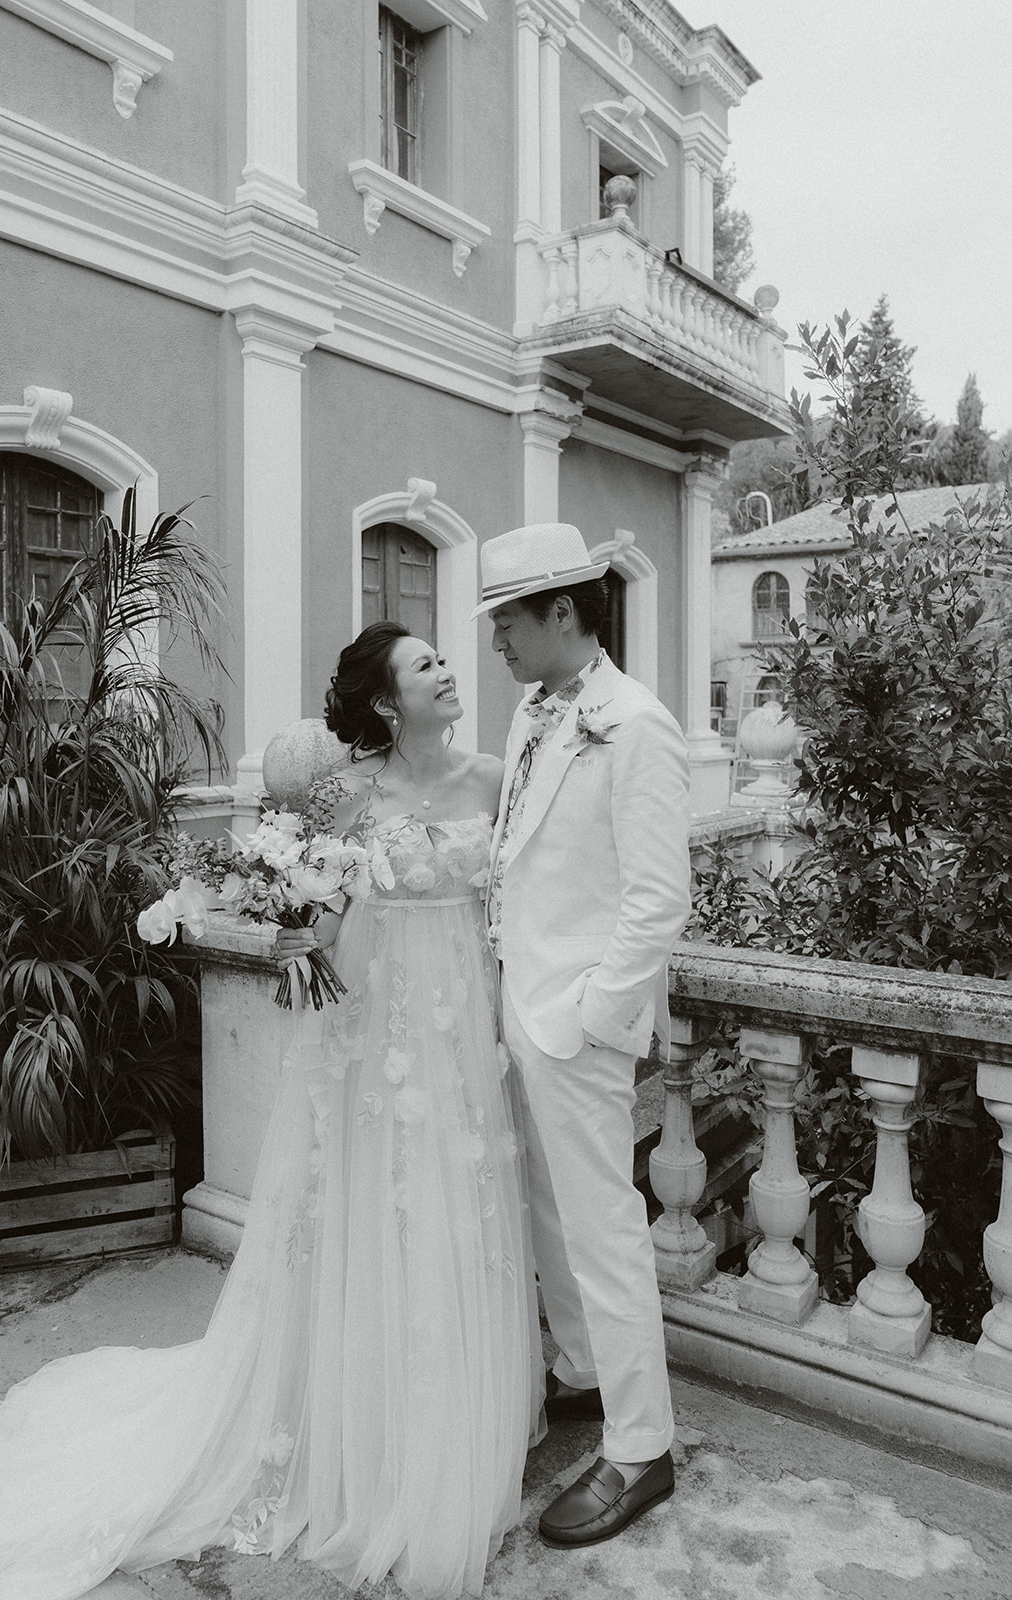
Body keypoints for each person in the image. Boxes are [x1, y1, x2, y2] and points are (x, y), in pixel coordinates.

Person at [0, 621, 542, 1600]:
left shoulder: (491, 778)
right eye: (424, 664)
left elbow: (514, 902)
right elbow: (323, 905)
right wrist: (299, 929)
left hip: (460, 1034)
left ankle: (453, 1428)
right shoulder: (346, 790)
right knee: (375, 1221)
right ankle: (367, 1446)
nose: (445, 670)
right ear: (389, 702)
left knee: (455, 1216)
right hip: (377, 1030)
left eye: (441, 658)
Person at [473, 522, 692, 1551]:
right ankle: (582, 1372)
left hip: (576, 1028)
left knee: (603, 1232)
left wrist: (585, 1024)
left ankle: (641, 1446)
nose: (494, 642)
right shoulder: (531, 712)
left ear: (561, 611)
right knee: (551, 1217)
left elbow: (656, 903)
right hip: (523, 1010)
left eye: (504, 620)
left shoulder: (636, 725)